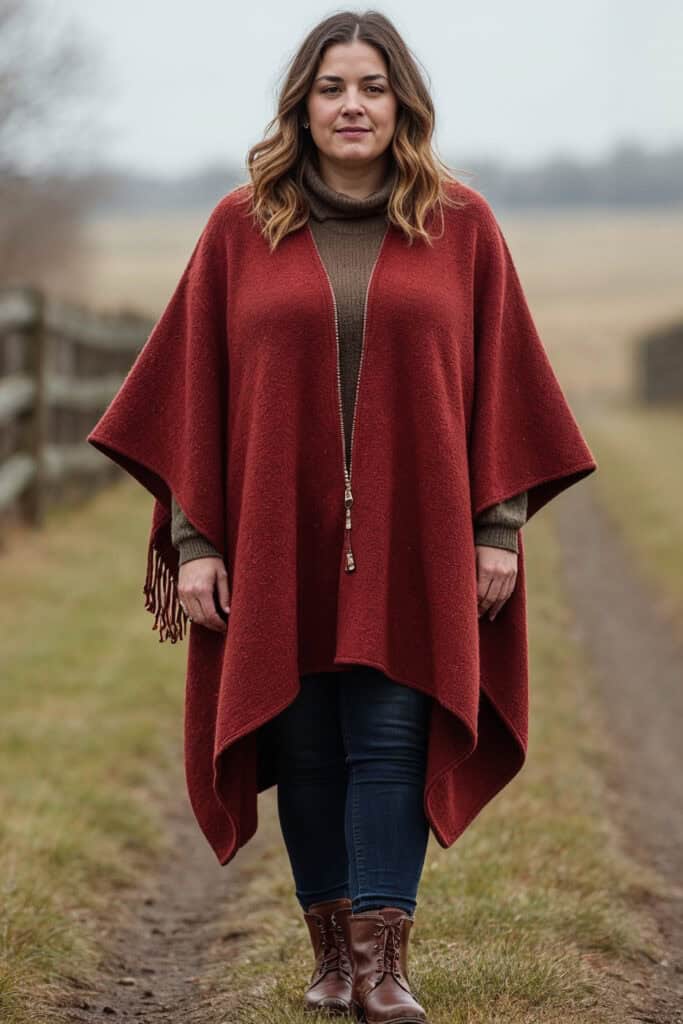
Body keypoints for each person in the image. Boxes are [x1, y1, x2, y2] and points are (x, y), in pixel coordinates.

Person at [87, 12, 597, 1023]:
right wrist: (194, 545)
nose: (352, 105)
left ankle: (380, 964)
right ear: (301, 106)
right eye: (330, 88)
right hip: (281, 535)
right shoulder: (241, 227)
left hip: (417, 533)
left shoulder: (461, 224)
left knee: (392, 725)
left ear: (400, 101)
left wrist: (495, 525)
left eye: (371, 86)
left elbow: (498, 382)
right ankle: (329, 952)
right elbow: (193, 392)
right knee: (308, 739)